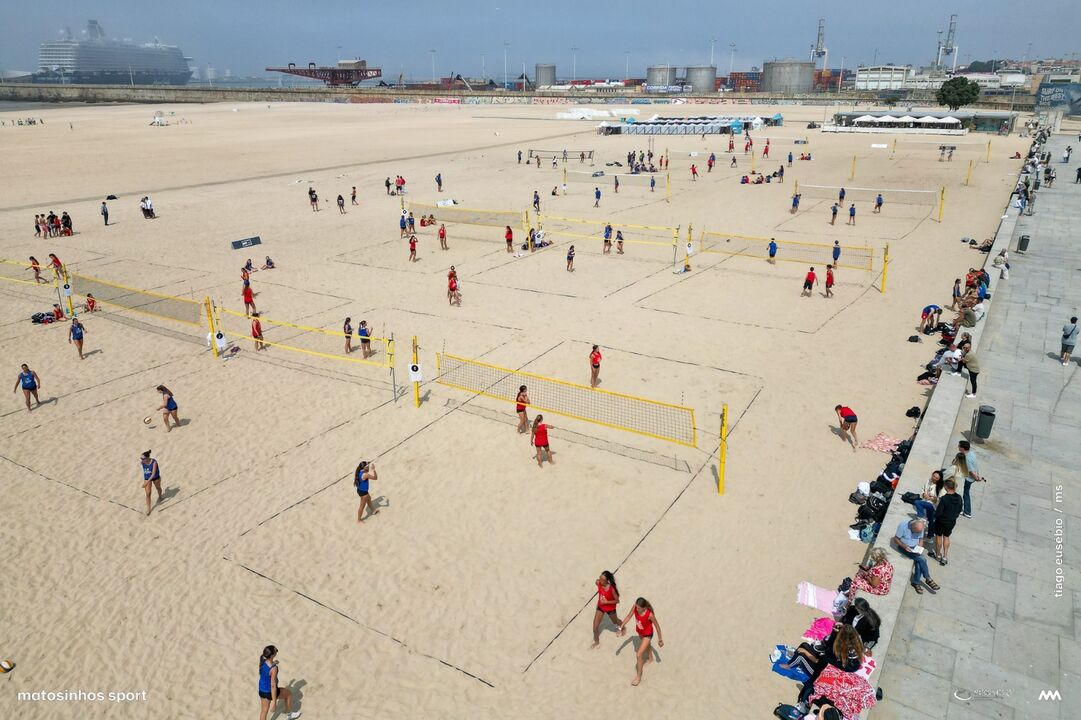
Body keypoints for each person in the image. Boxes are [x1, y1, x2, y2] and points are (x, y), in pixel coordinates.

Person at [618, 598, 663, 686]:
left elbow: (657, 626)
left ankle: (638, 677)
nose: (636, 609)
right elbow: (628, 616)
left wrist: (660, 639)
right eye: (636, 607)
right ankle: (650, 659)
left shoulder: (649, 615)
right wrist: (621, 627)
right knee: (647, 646)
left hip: (648, 634)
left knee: (638, 654)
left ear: (644, 607)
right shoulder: (635, 607)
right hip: (640, 631)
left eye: (638, 608)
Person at [893, 517, 939, 594]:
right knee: (922, 559)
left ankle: (916, 582)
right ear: (912, 527)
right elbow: (896, 539)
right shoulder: (903, 526)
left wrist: (920, 548)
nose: (918, 533)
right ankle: (928, 578)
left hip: (915, 549)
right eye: (916, 532)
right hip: (904, 547)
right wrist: (904, 546)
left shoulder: (920, 526)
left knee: (919, 562)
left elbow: (921, 539)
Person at [258, 646, 301, 720]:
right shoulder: (274, 669)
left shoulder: (262, 661)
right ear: (272, 655)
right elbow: (273, 686)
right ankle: (289, 714)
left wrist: (274, 662)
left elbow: (267, 668)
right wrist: (274, 702)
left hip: (261, 690)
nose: (276, 652)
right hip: (269, 691)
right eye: (276, 651)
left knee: (264, 711)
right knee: (288, 694)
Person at [591, 570, 620, 648]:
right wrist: (601, 603)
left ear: (607, 581)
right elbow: (596, 581)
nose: (600, 580)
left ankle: (622, 627)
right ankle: (596, 642)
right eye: (600, 578)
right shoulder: (598, 583)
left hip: (610, 609)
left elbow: (617, 601)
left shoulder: (611, 589)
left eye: (602, 579)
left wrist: (606, 602)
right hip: (600, 607)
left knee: (616, 621)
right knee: (595, 626)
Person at [958, 440, 983, 518]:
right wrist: (978, 475)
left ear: (963, 448)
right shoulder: (971, 453)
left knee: (966, 494)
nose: (958, 447)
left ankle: (967, 511)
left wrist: (976, 478)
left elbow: (971, 470)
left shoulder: (967, 458)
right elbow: (975, 465)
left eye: (959, 446)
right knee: (966, 493)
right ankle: (966, 510)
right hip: (973, 477)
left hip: (969, 479)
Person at [140, 450, 163, 516]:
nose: (141, 460)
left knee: (158, 488)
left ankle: (160, 497)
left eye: (143, 458)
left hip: (155, 477)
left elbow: (153, 474)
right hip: (147, 478)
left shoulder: (154, 462)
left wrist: (146, 483)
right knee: (148, 493)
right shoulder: (142, 462)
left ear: (147, 458)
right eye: (141, 458)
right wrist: (146, 482)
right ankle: (148, 509)